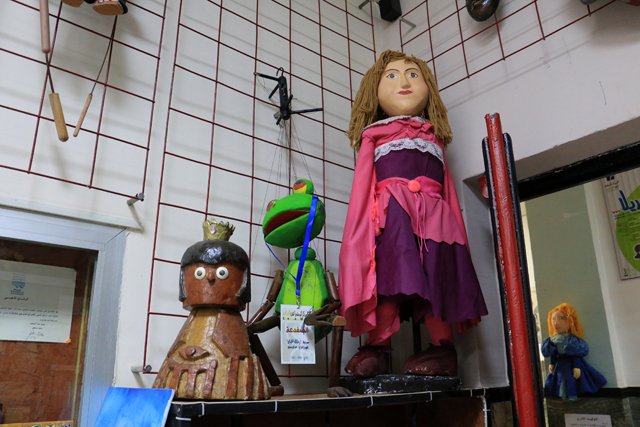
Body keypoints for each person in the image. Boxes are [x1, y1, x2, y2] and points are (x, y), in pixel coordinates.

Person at [338, 50, 488, 379]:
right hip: (393, 219)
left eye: (413, 75)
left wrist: (459, 236)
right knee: (390, 280)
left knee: (436, 280)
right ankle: (378, 345)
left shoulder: (435, 138)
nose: (404, 81)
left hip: (437, 222)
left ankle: (443, 347)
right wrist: (362, 233)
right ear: (374, 90)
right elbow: (363, 187)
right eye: (391, 76)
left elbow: (448, 189)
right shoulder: (374, 136)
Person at [541, 303, 606, 400]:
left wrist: (576, 366)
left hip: (570, 364)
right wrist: (552, 363)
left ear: (570, 321)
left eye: (561, 318)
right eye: (553, 319)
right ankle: (561, 395)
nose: (556, 322)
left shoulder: (571, 339)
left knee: (571, 379)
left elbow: (575, 353)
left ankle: (572, 395)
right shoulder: (553, 339)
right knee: (559, 379)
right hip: (559, 365)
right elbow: (554, 353)